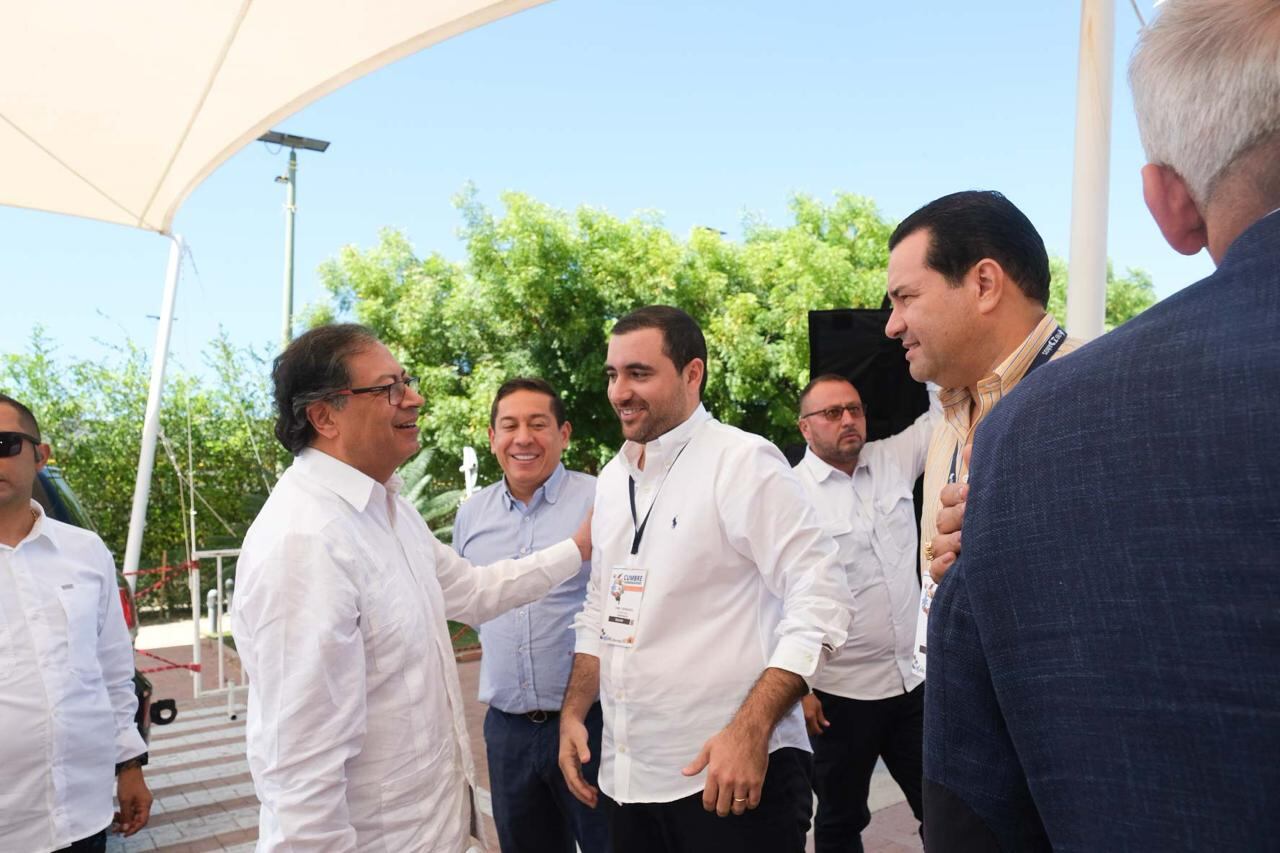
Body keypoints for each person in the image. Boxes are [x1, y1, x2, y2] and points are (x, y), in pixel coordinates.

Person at [920, 1, 1280, 849]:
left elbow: (974, 809)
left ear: (1168, 203)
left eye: (904, 296)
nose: (892, 322)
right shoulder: (989, 427)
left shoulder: (1037, 432)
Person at [231, 325, 592, 853]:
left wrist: (576, 549)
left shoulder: (389, 514)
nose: (415, 398)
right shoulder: (305, 541)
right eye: (389, 389)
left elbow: (474, 591)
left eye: (408, 382)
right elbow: (299, 771)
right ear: (324, 416)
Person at [558, 305, 854, 853]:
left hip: (729, 779)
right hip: (630, 780)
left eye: (639, 374)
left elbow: (822, 595)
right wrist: (574, 711)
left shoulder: (742, 462)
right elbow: (600, 607)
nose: (619, 391)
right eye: (612, 374)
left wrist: (751, 731)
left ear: (692, 374)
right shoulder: (611, 478)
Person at [882, 189, 1082, 676]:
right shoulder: (947, 420)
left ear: (985, 284)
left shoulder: (1097, 398)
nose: (891, 326)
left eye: (906, 297)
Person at [452, 378, 610, 853]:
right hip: (507, 733)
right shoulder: (472, 515)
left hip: (594, 724)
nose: (523, 438)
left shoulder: (602, 501)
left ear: (564, 433)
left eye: (538, 424)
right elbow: (472, 604)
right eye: (510, 425)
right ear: (492, 436)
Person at [792, 375, 938, 852]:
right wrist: (801, 687)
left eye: (854, 409)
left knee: (941, 807)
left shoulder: (891, 458)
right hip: (838, 697)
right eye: (832, 413)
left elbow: (940, 418)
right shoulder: (789, 493)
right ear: (805, 428)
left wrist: (924, 343)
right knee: (839, 819)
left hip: (911, 682)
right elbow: (771, 594)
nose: (848, 420)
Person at [0, 394, 152, 853]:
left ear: (40, 455)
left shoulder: (85, 553)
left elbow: (111, 669)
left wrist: (130, 766)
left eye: (5, 443)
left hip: (81, 816)